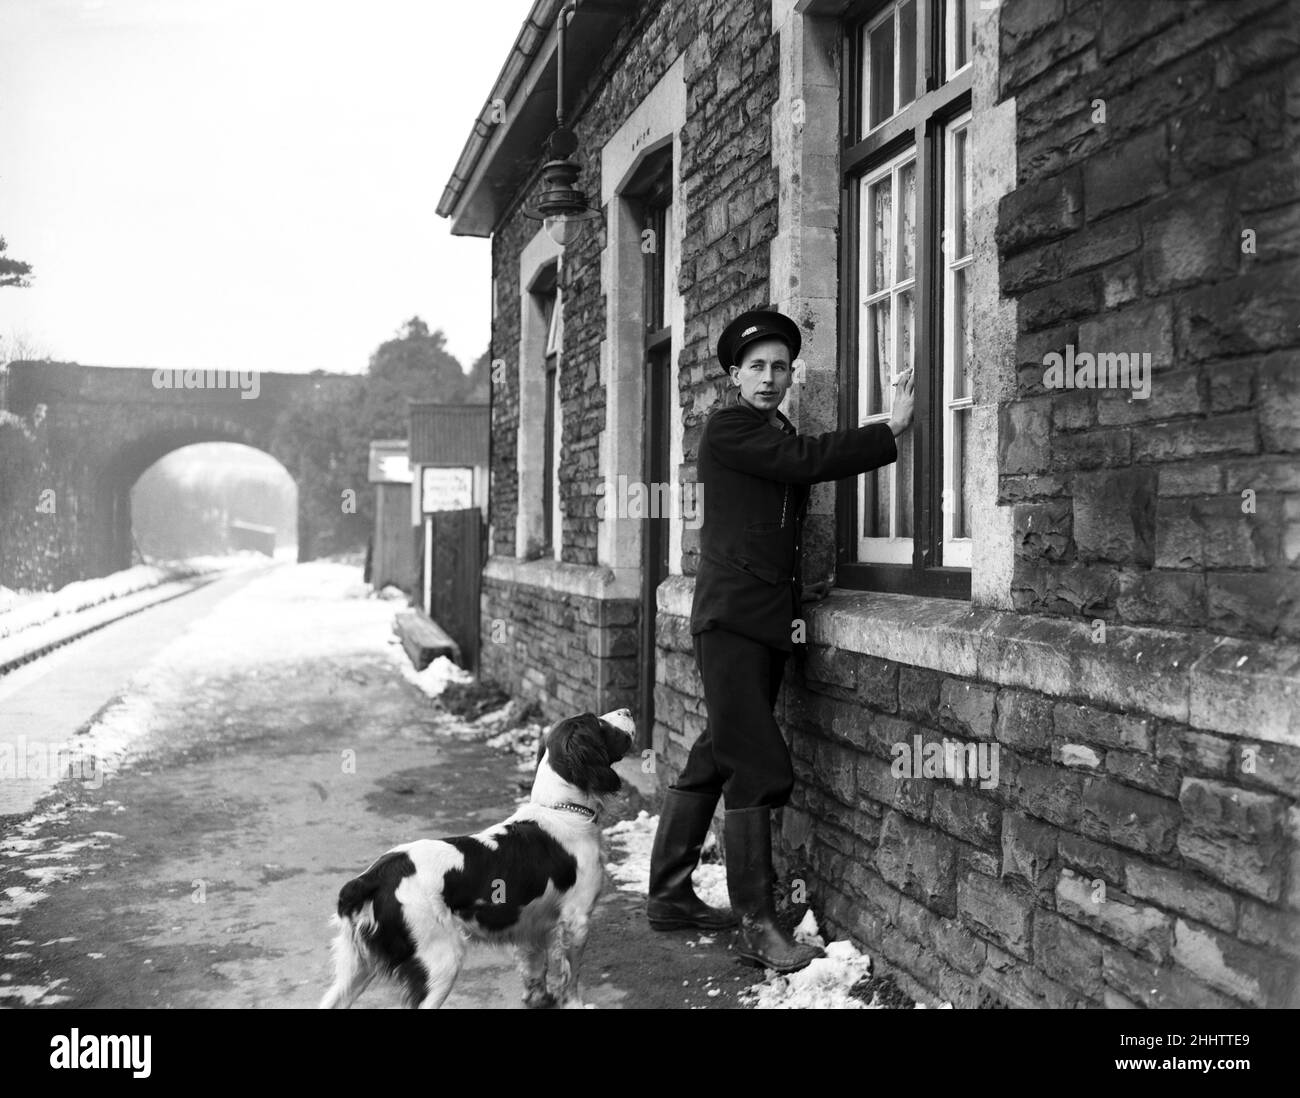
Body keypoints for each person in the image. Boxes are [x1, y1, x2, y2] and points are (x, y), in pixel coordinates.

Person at [646, 307, 914, 972]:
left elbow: (790, 474)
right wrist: (890, 431)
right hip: (734, 621)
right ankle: (759, 927)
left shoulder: (771, 426)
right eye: (757, 367)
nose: (771, 377)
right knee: (758, 766)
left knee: (718, 751)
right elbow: (803, 462)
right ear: (735, 375)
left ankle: (670, 894)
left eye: (780, 367)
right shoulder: (732, 426)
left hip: (760, 620)